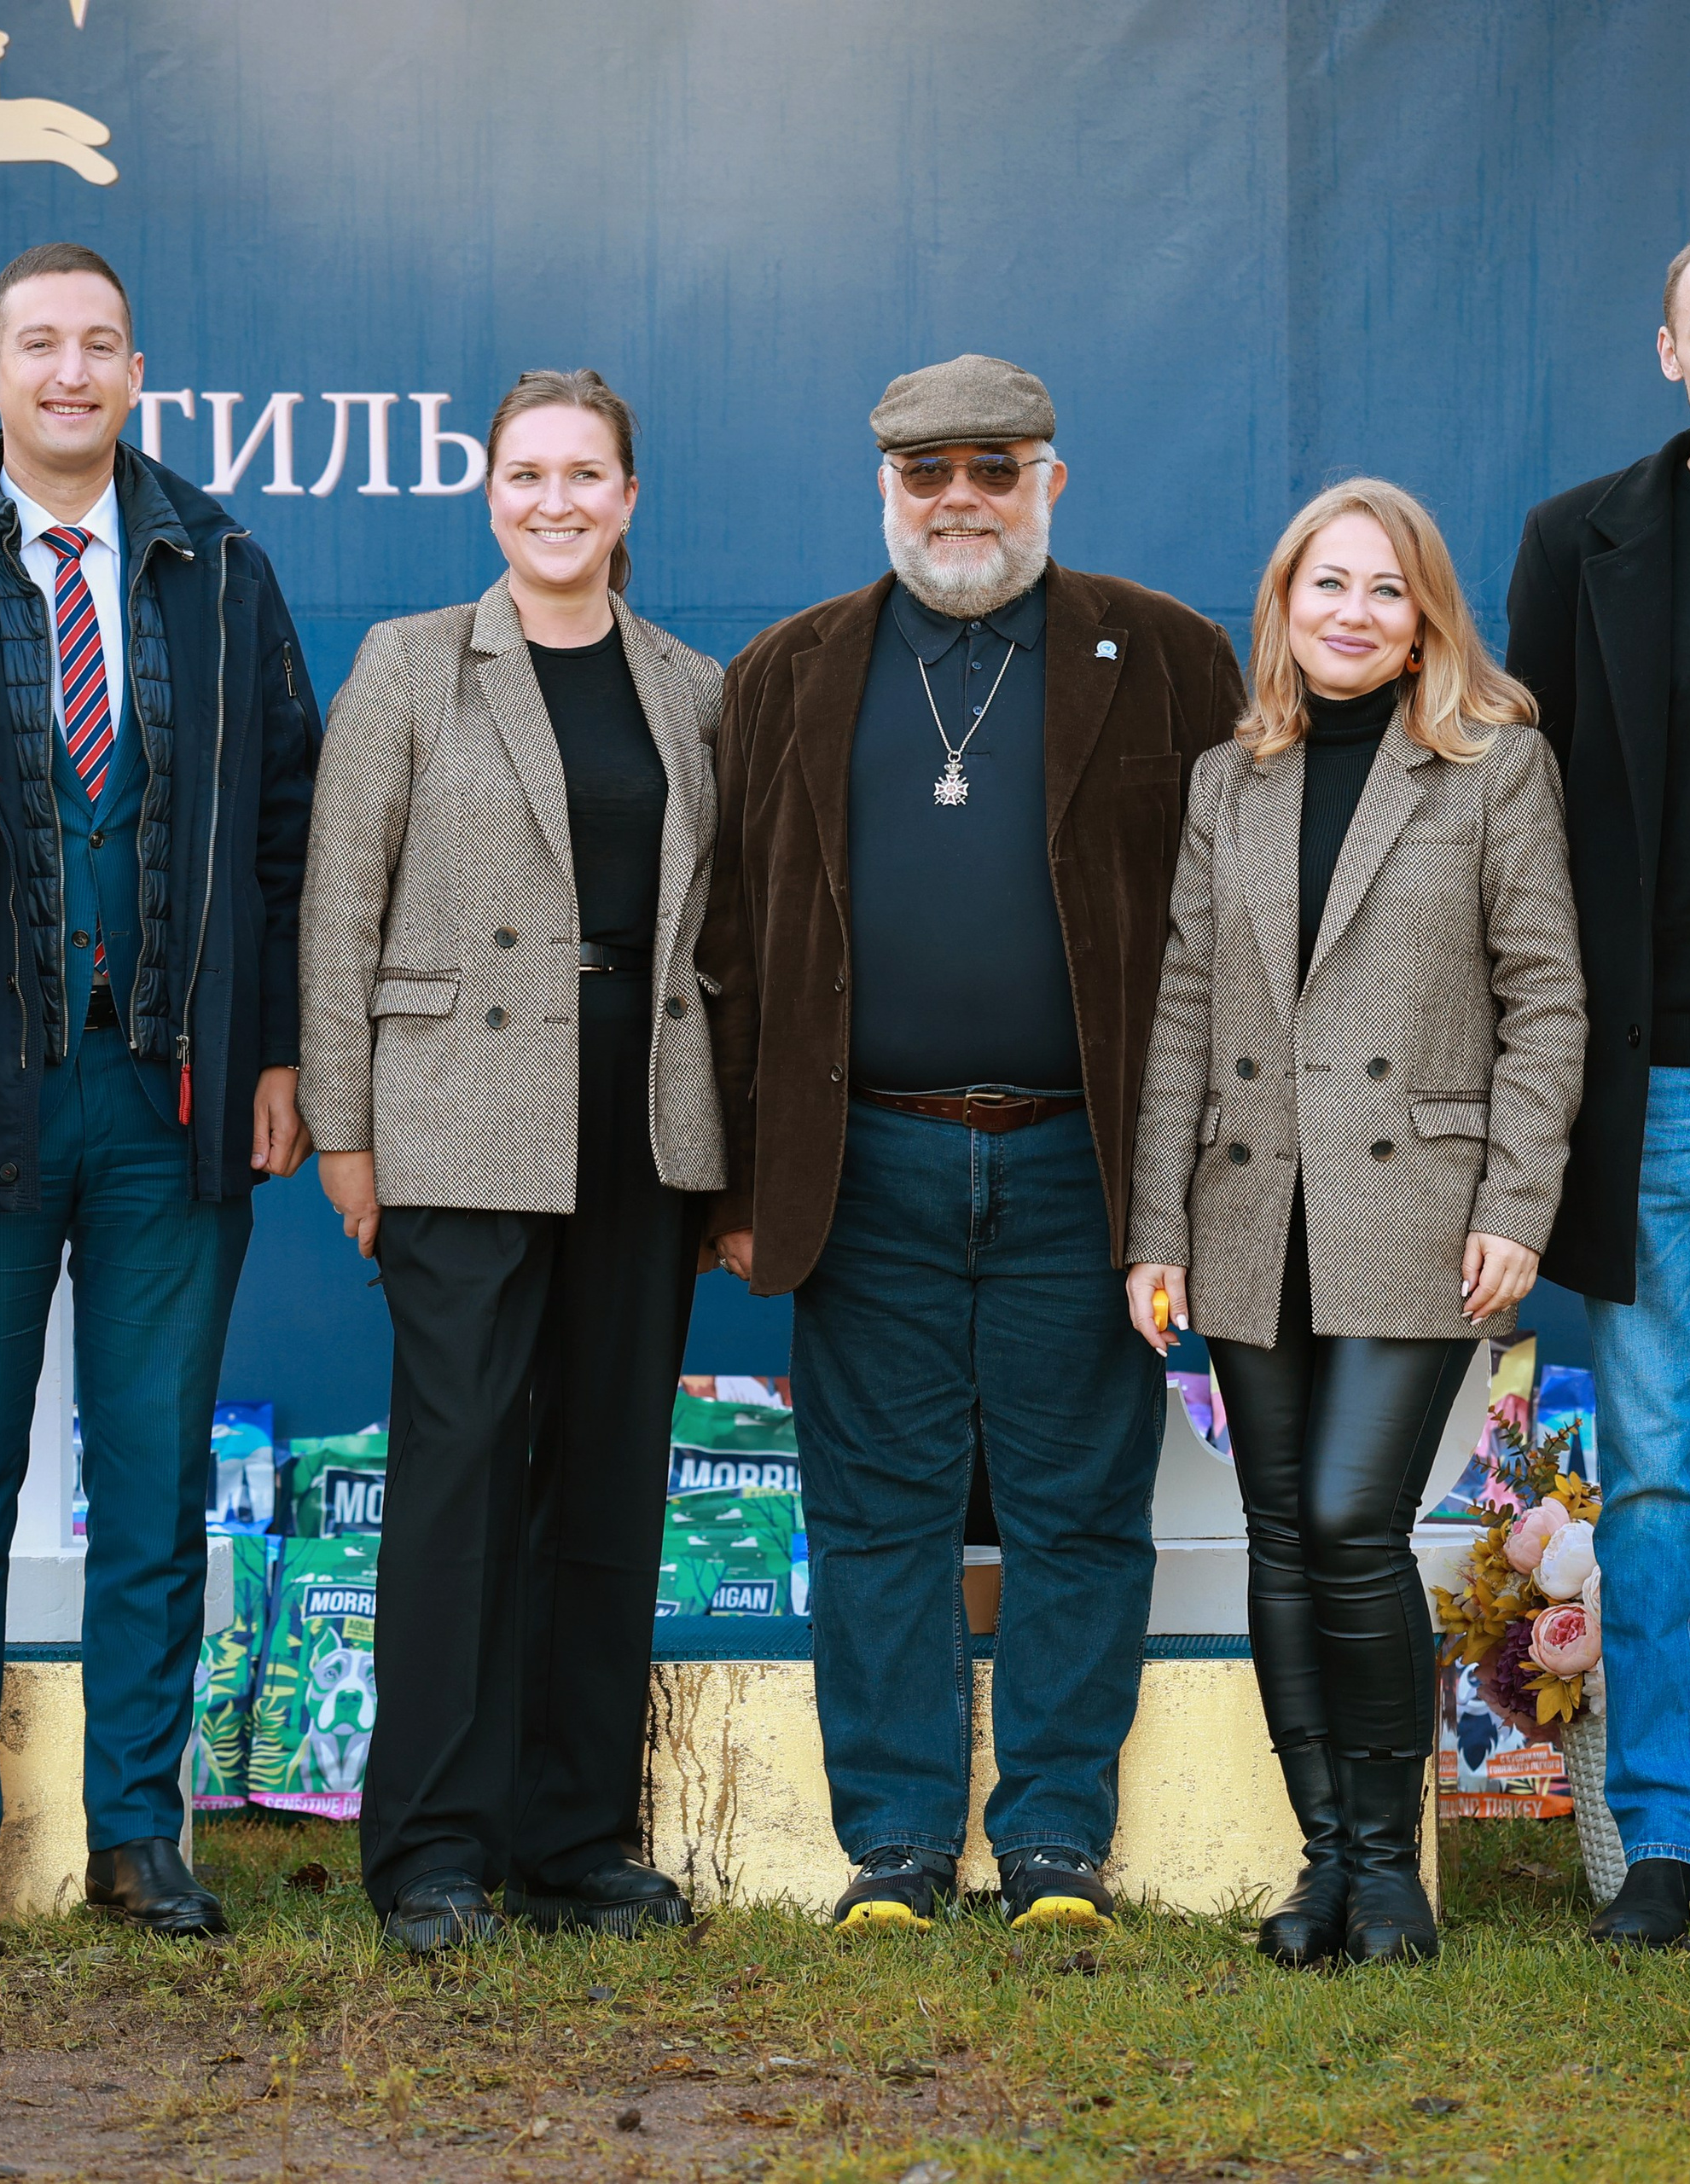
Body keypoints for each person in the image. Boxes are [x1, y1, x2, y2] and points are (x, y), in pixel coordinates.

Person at [0, 244, 321, 1959]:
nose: (71, 371)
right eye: (40, 343)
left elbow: (281, 829)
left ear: (135, 367)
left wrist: (275, 1052)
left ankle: (134, 1829)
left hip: (166, 1105)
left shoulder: (223, 567)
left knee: (159, 1473)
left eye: (99, 343)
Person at [700, 354, 1246, 1934]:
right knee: (876, 1512)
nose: (960, 501)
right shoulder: (790, 672)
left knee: (1080, 1506)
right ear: (883, 488)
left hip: (1092, 1163)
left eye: (994, 470)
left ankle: (1061, 1842)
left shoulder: (1166, 657)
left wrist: (1192, 1186)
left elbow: (1232, 928)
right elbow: (731, 945)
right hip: (863, 1159)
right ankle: (897, 1850)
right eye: (927, 473)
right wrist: (739, 1187)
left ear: (1050, 482)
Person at [1129, 479, 1585, 1966]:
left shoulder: (1491, 769)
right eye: (1328, 584)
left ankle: (1391, 1865)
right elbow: (1185, 1010)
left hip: (1418, 1204)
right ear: (1283, 605)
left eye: (1385, 591)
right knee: (1279, 1535)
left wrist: (1518, 1201)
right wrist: (1159, 1227)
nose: (1352, 611)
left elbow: (1547, 999)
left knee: (1345, 1518)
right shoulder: (1228, 782)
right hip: (1251, 1199)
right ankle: (1322, 1862)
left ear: (1423, 622)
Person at [299, 370, 724, 1954]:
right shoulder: (410, 667)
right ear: (491, 496)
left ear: (629, 499)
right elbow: (340, 907)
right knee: (462, 1473)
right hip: (458, 1108)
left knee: (609, 1470)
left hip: (641, 1113)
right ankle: (431, 1850)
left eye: (586, 476)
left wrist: (730, 1154)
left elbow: (722, 939)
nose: (556, 502)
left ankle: (578, 1838)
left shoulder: (693, 687)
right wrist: (347, 1131)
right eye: (527, 475)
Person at [1506, 217, 1690, 1948]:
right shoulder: (1573, 543)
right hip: (1657, 1062)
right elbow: (1518, 822)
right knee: (1657, 1469)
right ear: (1664, 351)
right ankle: (1666, 1843)